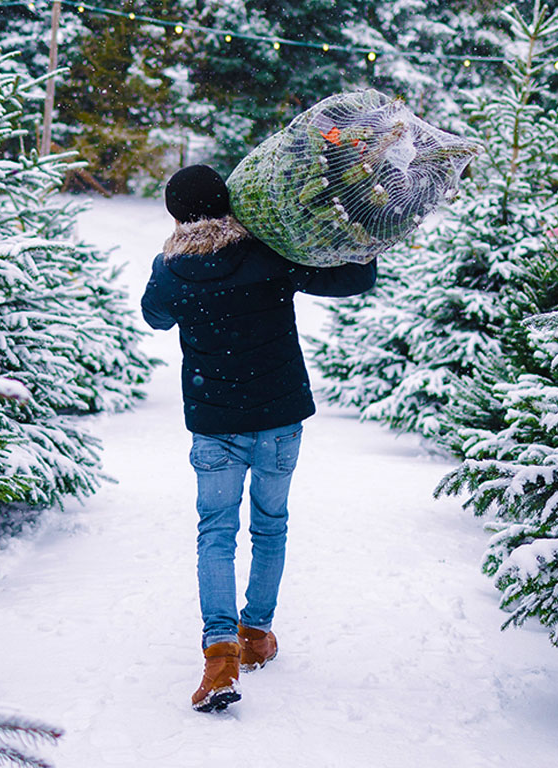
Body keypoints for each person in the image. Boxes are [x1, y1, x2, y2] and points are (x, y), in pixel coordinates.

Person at [140, 164, 377, 713]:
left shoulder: (171, 271)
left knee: (215, 535)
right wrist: (363, 230)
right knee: (270, 527)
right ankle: (256, 634)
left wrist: (174, 270)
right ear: (229, 203)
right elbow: (350, 280)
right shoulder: (269, 254)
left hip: (215, 425)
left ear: (176, 216)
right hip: (278, 419)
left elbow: (154, 317)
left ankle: (220, 655)